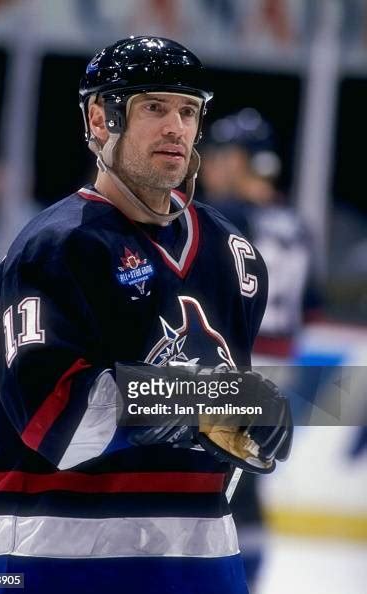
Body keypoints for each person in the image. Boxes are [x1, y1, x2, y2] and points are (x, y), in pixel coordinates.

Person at [0, 37, 292, 594]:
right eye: (154, 107)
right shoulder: (56, 248)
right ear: (100, 118)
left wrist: (255, 425)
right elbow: (62, 426)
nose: (177, 126)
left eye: (188, 110)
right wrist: (217, 400)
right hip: (57, 559)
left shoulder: (234, 255)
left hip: (201, 557)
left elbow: (220, 433)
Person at [200, 108, 320, 591]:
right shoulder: (295, 223)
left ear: (237, 161)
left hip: (235, 370)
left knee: (210, 493)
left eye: (216, 157)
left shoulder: (224, 216)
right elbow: (311, 310)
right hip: (281, 376)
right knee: (246, 494)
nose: (207, 167)